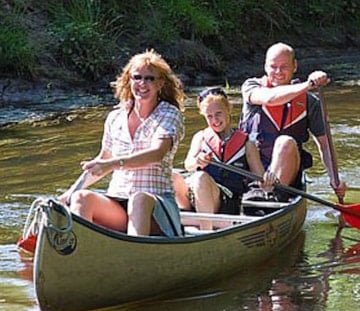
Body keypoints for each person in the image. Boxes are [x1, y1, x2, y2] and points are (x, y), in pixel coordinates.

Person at [64, 49, 186, 236]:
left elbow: (157, 153)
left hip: (157, 207)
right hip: (119, 202)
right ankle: (82, 250)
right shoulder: (115, 117)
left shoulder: (169, 114)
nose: (142, 84)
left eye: (149, 79)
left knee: (139, 199)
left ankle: (134, 255)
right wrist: (68, 194)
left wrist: (113, 164)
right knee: (80, 198)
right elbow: (102, 161)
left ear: (160, 83)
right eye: (137, 77)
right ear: (129, 81)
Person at [239, 42, 347, 202]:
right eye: (273, 66)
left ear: (294, 66)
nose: (278, 72)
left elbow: (325, 145)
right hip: (252, 171)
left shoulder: (310, 103)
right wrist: (308, 85)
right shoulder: (251, 86)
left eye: (284, 67)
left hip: (287, 175)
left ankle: (270, 196)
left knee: (286, 142)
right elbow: (270, 98)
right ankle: (257, 195)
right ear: (265, 67)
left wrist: (334, 179)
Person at [173, 87, 277, 215]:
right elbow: (188, 165)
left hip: (228, 200)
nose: (215, 120)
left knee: (201, 178)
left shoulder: (247, 143)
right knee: (173, 176)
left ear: (228, 109)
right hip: (199, 193)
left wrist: (268, 182)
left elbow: (260, 178)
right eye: (209, 116)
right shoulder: (200, 137)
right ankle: (183, 218)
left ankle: (206, 230)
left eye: (218, 114)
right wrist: (197, 161)